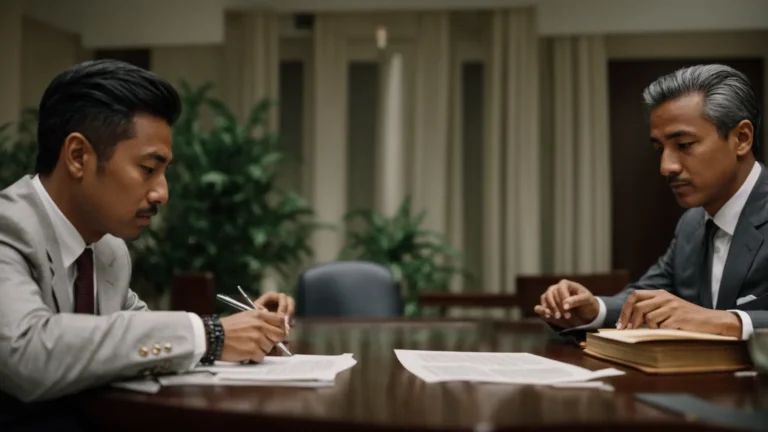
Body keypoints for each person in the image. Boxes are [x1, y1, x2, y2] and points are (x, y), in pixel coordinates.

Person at [0, 59, 296, 412]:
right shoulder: (9, 226)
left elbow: (138, 329)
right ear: (78, 156)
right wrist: (212, 335)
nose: (162, 194)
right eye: (148, 169)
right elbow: (27, 352)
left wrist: (244, 329)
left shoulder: (108, 249)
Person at [536, 64, 766, 339]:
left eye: (684, 145)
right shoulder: (692, 224)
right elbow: (643, 297)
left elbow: (710, 320)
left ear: (741, 138)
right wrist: (592, 308)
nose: (666, 167)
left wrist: (726, 322)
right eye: (660, 149)